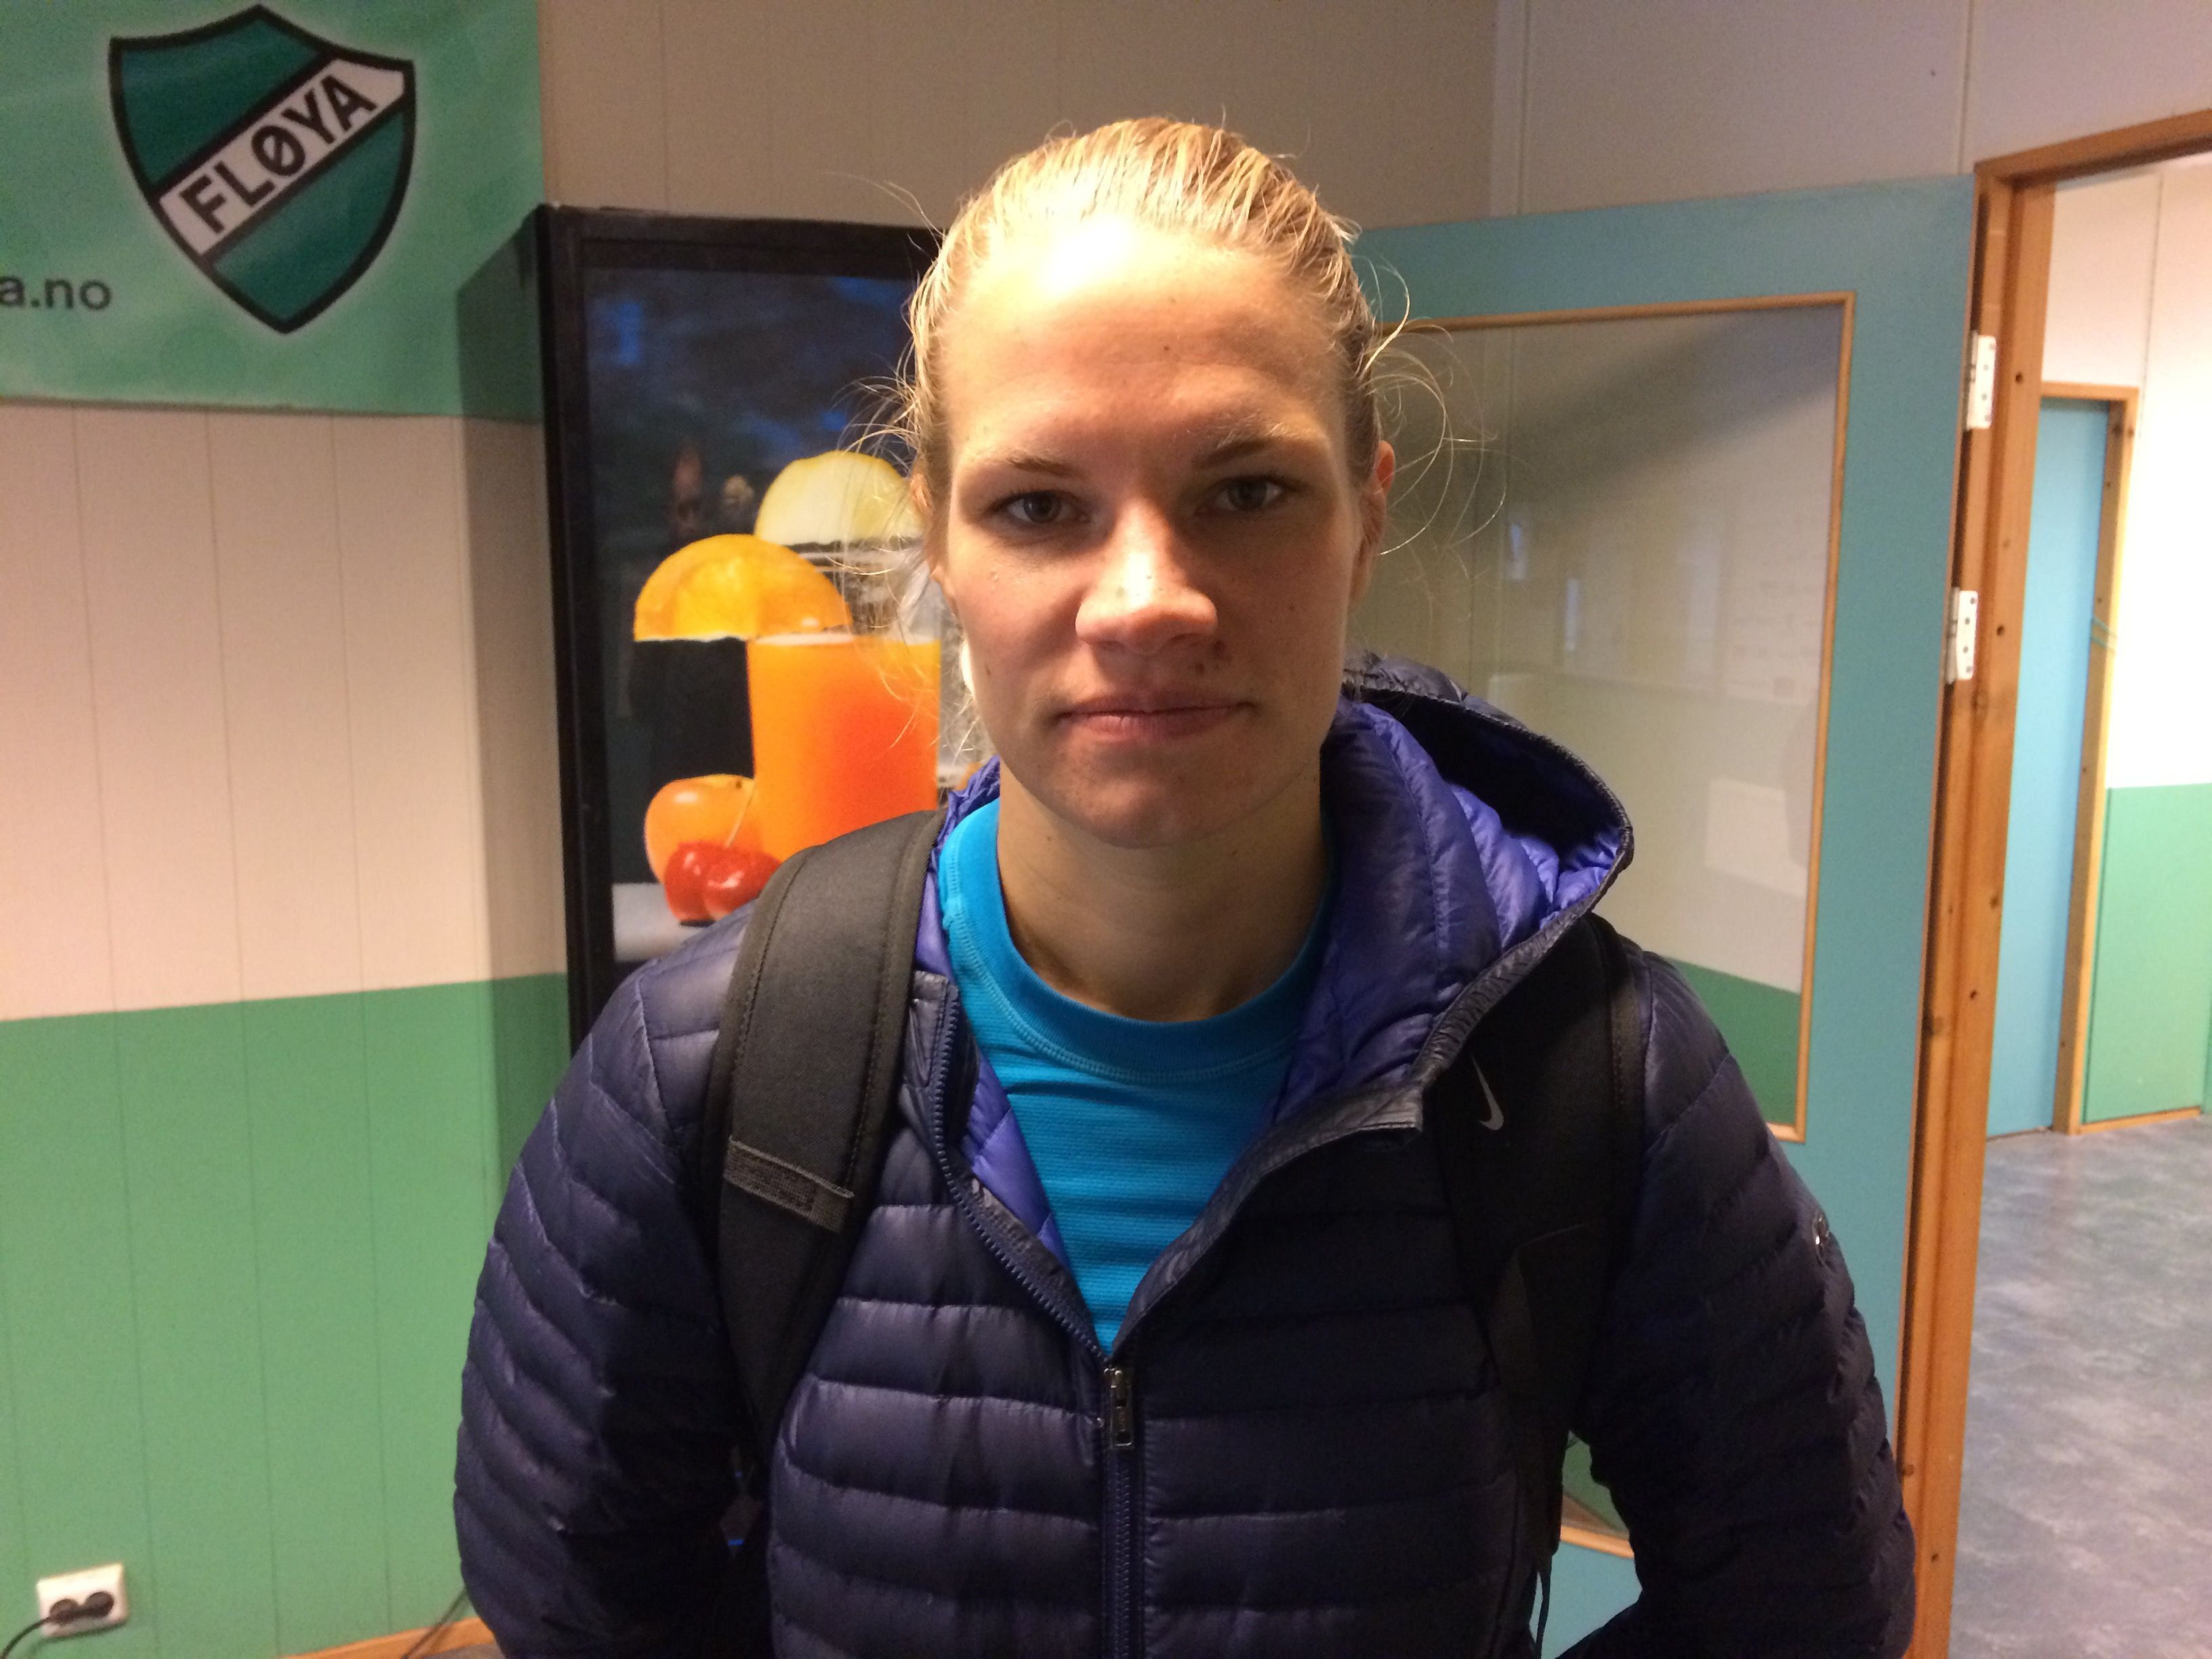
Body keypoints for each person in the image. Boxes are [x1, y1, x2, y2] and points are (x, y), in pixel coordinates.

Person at [456, 119, 1914, 1658]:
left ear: (1367, 510)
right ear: (939, 536)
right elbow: (578, 1602)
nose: (1148, 600)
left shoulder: (1585, 1073)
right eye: (1038, 506)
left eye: (1248, 490)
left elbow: (1802, 1602)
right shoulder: (714, 1074)